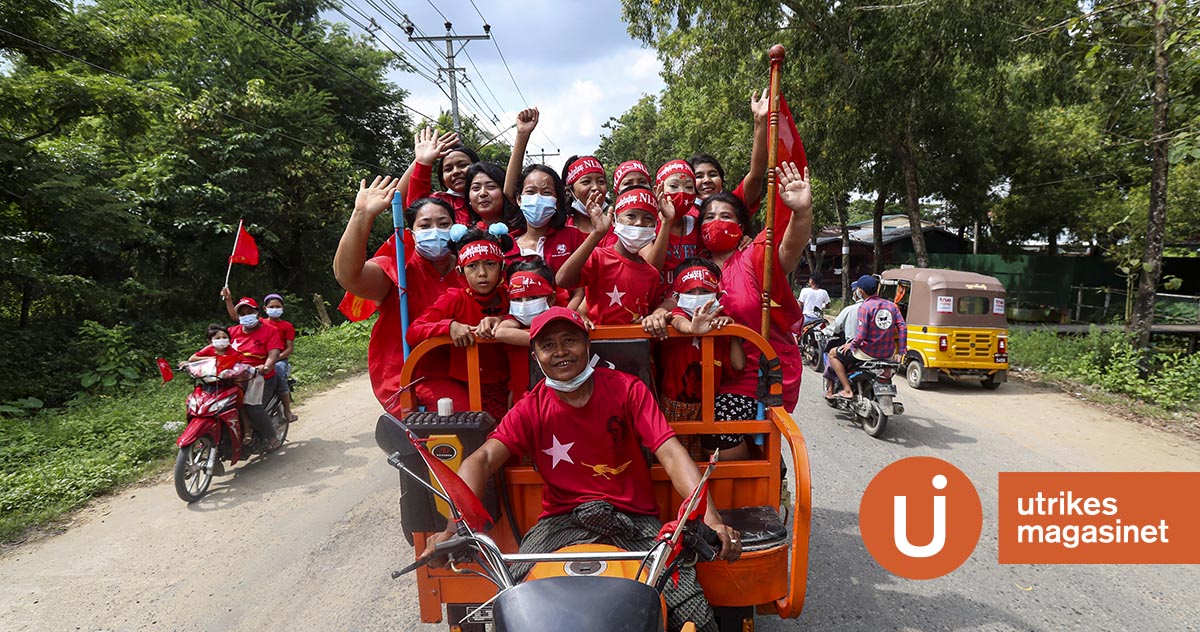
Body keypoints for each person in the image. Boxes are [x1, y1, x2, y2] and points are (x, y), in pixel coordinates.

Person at [422, 307, 741, 632]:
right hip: (560, 524)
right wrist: (453, 529)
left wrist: (711, 518)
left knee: (695, 617)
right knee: (516, 606)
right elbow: (481, 459)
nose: (560, 351)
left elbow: (671, 454)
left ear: (587, 347)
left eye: (569, 340)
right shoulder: (531, 407)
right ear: (536, 357)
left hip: (635, 523)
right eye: (548, 345)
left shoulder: (628, 390)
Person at [687, 162, 812, 460]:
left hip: (757, 375)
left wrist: (801, 212)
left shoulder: (754, 255)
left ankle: (751, 492)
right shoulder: (691, 267)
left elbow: (788, 251)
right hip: (701, 376)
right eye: (709, 217)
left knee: (719, 430)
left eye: (726, 216)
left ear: (742, 226)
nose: (716, 222)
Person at [333, 176, 463, 413]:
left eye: (444, 224)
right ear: (411, 234)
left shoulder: (472, 268)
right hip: (410, 378)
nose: (435, 231)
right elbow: (349, 276)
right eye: (425, 226)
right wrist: (362, 214)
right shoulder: (399, 269)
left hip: (469, 371)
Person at [405, 225, 512, 420]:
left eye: (490, 264)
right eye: (472, 266)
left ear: (502, 267)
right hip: (464, 385)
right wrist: (449, 326)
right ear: (460, 271)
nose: (482, 273)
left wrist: (503, 320)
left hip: (507, 384)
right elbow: (413, 331)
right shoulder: (454, 298)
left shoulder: (512, 296)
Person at [556, 186, 674, 325]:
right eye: (631, 216)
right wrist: (597, 233)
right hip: (598, 344)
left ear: (655, 225)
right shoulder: (598, 258)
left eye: (648, 218)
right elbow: (562, 280)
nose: (639, 223)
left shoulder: (651, 274)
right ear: (615, 220)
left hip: (636, 345)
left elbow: (648, 313)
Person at [660, 259, 745, 423]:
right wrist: (693, 329)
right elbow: (677, 320)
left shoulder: (719, 323)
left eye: (704, 290)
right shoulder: (678, 314)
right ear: (678, 295)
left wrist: (732, 331)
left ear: (717, 295)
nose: (697, 297)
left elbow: (739, 364)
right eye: (690, 292)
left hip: (709, 406)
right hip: (673, 405)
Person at [223, 289, 299, 422]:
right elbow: (237, 317)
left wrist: (273, 359)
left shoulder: (286, 326)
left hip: (277, 358)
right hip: (259, 360)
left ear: (282, 308)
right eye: (271, 307)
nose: (274, 309)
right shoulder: (261, 322)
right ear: (264, 309)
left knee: (280, 376)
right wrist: (228, 300)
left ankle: (287, 410)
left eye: (277, 307)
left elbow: (289, 349)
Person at [828, 274, 908, 399]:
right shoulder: (892, 306)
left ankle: (847, 390)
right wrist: (901, 351)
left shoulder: (865, 307)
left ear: (860, 291)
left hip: (867, 352)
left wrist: (851, 345)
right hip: (888, 354)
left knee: (833, 354)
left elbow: (860, 336)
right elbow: (903, 327)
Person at [690, 90, 770, 212]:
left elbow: (756, 175)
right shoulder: (682, 217)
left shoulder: (733, 205)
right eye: (699, 176)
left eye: (713, 175)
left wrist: (760, 120)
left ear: (722, 180)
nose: (707, 180)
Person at [228, 296, 283, 451]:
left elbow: (274, 354)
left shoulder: (270, 331)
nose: (246, 315)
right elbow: (214, 350)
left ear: (257, 312)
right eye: (242, 313)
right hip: (233, 378)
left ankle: (271, 436)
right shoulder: (231, 332)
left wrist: (265, 366)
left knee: (251, 408)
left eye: (249, 312)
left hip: (260, 378)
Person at [401, 127, 478, 224]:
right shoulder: (438, 202)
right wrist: (422, 161)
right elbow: (412, 205)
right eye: (448, 169)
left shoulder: (493, 195)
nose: (455, 172)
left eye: (463, 165)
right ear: (443, 179)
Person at [826, 280, 865, 396]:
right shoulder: (884, 307)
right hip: (880, 350)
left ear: (858, 292)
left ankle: (841, 389)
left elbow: (836, 327)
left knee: (832, 354)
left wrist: (825, 331)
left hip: (857, 349)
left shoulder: (851, 309)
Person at [465, 162, 524, 233]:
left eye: (491, 187)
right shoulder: (467, 237)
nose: (482, 193)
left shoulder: (524, 233)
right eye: (476, 188)